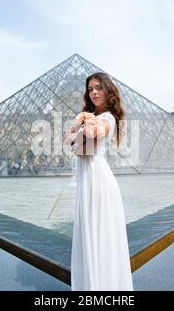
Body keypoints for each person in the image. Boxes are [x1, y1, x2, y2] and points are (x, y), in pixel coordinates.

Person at [65, 72, 133, 291]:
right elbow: (68, 140)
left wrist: (84, 120)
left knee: (100, 237)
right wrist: (79, 122)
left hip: (98, 181)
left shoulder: (107, 118)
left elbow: (93, 134)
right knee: (90, 236)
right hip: (88, 179)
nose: (93, 92)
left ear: (107, 91)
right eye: (90, 89)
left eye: (98, 88)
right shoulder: (93, 116)